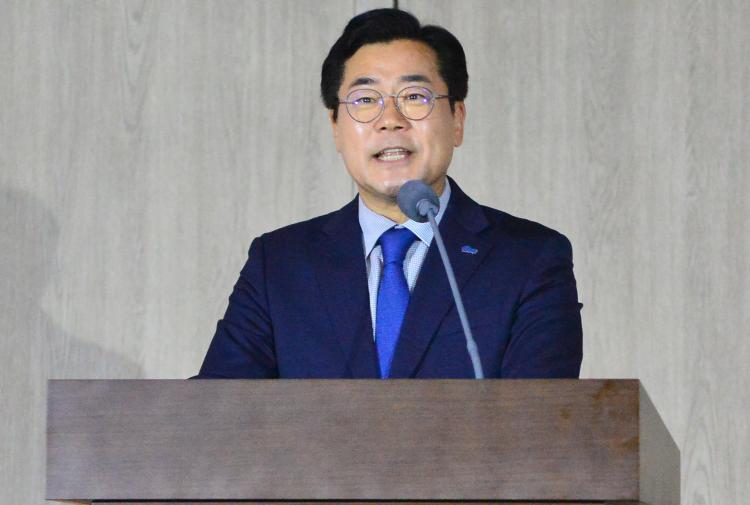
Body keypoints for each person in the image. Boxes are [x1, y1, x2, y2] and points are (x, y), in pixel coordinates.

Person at [196, 9, 582, 379]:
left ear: (457, 120)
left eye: (414, 97)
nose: (391, 120)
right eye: (365, 100)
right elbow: (217, 408)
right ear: (335, 127)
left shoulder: (529, 258)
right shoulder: (279, 265)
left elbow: (542, 414)